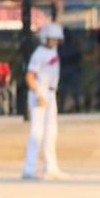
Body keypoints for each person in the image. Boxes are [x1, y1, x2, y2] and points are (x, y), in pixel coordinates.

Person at [22, 23, 65, 181]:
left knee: (51, 131)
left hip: (51, 92)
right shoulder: (38, 54)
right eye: (52, 39)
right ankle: (29, 169)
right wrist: (39, 93)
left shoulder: (53, 51)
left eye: (56, 39)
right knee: (37, 132)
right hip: (40, 92)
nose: (54, 42)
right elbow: (29, 76)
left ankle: (51, 167)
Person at [56, 28, 83, 114]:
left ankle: (76, 107)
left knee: (74, 91)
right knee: (63, 91)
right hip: (65, 69)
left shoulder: (73, 45)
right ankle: (61, 108)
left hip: (72, 69)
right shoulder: (60, 47)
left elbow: (78, 56)